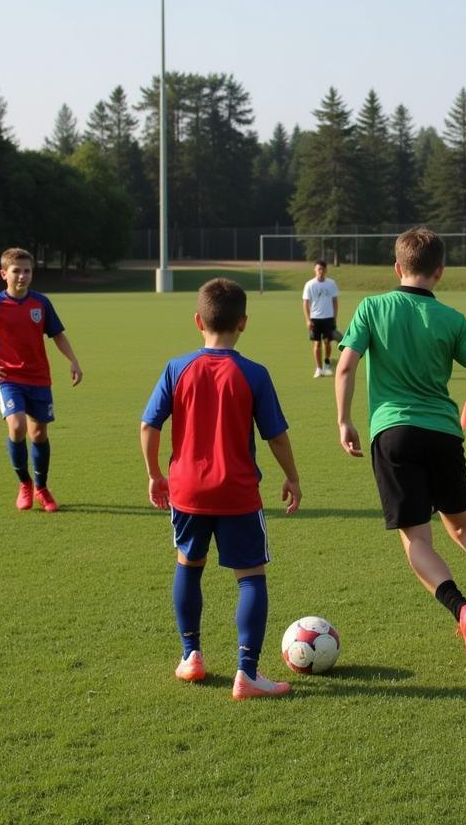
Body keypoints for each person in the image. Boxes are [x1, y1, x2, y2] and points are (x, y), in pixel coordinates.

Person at [334, 227, 466, 662]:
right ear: (440, 272)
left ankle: (463, 609)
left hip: (393, 433)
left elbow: (344, 367)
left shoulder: (373, 307)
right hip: (445, 434)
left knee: (417, 538)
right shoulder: (451, 319)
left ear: (397, 268)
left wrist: (344, 420)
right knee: (465, 528)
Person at [141, 277, 301, 700]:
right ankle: (246, 672)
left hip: (187, 491)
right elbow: (277, 436)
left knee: (188, 565)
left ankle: (191, 655)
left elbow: (148, 424)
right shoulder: (253, 373)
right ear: (243, 323)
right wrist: (293, 476)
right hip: (237, 492)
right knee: (250, 577)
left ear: (198, 320)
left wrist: (155, 473)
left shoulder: (177, 368)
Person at [0, 247, 83, 512]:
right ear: (4, 274)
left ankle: (42, 487)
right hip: (8, 377)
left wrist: (73, 361)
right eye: (16, 271)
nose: (22, 276)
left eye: (27, 271)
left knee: (38, 434)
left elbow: (57, 335)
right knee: (17, 427)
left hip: (39, 378)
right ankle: (25, 483)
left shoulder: (41, 303)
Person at [302, 260, 340, 378]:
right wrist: (308, 320)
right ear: (315, 270)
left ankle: (327, 363)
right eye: (319, 269)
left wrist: (334, 317)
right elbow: (305, 303)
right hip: (315, 318)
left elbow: (335, 302)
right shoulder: (310, 285)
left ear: (326, 270)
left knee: (328, 342)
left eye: (323, 269)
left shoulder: (331, 284)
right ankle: (319, 368)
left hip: (328, 317)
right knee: (317, 344)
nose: (321, 271)